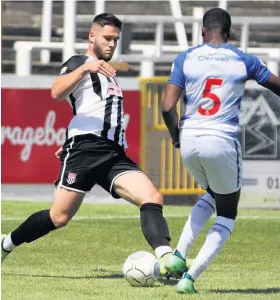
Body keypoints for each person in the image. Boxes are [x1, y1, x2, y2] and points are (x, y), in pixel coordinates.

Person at [1, 13, 175, 269]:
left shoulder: (108, 72)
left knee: (152, 196)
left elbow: (92, 110)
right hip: (85, 151)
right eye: (107, 38)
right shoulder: (79, 63)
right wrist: (85, 68)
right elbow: (56, 92)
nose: (112, 44)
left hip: (113, 153)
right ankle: (6, 244)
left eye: (115, 39)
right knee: (58, 218)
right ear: (92, 36)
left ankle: (167, 258)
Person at [161, 8, 280, 294]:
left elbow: (166, 107)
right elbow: (276, 85)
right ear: (229, 33)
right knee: (227, 212)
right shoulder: (243, 59)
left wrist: (176, 138)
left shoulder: (185, 57)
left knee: (213, 193)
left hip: (189, 138)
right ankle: (189, 279)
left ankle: (178, 255)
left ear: (203, 31)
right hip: (221, 138)